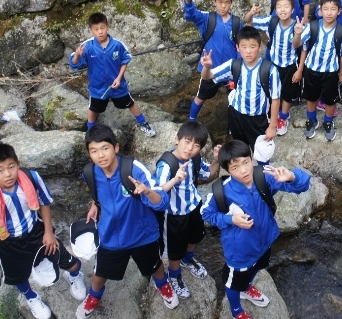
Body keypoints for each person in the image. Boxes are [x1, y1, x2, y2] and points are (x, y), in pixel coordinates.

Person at [0, 143, 86, 319]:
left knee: (68, 260)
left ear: (18, 164)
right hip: (8, 242)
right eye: (0, 170)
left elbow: (44, 202)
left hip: (36, 233)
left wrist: (48, 232)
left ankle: (74, 275)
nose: (8, 174)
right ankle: (31, 297)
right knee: (17, 276)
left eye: (11, 167)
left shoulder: (31, 178)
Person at [76, 124, 188, 318]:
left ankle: (163, 285)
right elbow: (98, 191)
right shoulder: (90, 173)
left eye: (105, 148)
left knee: (154, 265)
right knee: (100, 271)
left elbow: (161, 202)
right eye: (94, 151)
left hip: (141, 234)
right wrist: (95, 203)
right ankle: (94, 296)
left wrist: (147, 191)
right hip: (110, 235)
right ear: (89, 153)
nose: (100, 155)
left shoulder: (133, 169)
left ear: (116, 147)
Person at [200, 140, 310, 319]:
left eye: (246, 162)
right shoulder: (222, 191)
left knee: (257, 268)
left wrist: (291, 176)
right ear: (227, 170)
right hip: (239, 252)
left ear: (251, 158)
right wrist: (231, 219)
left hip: (265, 242)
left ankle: (246, 288)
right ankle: (236, 311)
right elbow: (205, 213)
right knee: (234, 283)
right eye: (235, 167)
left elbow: (303, 185)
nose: (244, 170)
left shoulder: (263, 177)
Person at [155, 121, 220, 299]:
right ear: (177, 139)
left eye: (196, 145)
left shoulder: (194, 159)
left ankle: (188, 258)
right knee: (175, 248)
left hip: (194, 206)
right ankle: (174, 275)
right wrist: (175, 179)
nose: (190, 148)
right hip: (174, 214)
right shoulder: (167, 164)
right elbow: (157, 192)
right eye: (187, 141)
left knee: (195, 236)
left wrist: (216, 159)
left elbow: (208, 173)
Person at [200, 26, 281, 161]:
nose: (248, 51)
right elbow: (207, 76)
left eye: (252, 46)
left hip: (258, 119)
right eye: (244, 47)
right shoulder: (234, 65)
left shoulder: (270, 70)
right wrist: (207, 67)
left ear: (259, 47)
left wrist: (272, 126)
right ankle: (245, 170)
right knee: (240, 151)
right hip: (236, 115)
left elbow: (276, 99)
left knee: (262, 154)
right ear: (238, 48)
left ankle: (262, 172)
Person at [69, 12, 156, 137]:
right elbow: (74, 64)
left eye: (102, 28)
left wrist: (119, 78)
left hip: (117, 85)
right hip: (98, 87)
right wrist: (77, 55)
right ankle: (90, 131)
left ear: (107, 27)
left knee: (130, 103)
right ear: (91, 30)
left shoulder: (117, 45)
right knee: (93, 108)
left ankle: (144, 123)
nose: (100, 32)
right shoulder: (87, 46)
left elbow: (125, 60)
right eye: (96, 29)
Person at [244, 0, 305, 136]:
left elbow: (297, 46)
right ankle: (274, 114)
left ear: (292, 9)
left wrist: (298, 34)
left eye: (286, 6)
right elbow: (248, 20)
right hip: (274, 65)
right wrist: (251, 13)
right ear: (275, 9)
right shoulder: (270, 21)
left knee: (288, 93)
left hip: (290, 65)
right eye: (279, 7)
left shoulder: (297, 26)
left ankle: (283, 117)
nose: (283, 10)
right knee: (273, 91)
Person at [182, 0, 242, 121]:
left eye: (227, 2)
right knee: (201, 97)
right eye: (220, 2)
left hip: (230, 68)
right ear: (214, 2)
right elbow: (191, 15)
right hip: (211, 68)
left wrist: (238, 66)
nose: (223, 6)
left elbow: (240, 46)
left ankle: (237, 122)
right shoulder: (207, 18)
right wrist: (188, 2)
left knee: (237, 96)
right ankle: (191, 120)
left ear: (231, 3)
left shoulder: (237, 22)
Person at [299, 0, 342, 141]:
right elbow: (299, 45)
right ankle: (311, 120)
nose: (329, 12)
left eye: (333, 9)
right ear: (320, 11)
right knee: (311, 96)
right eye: (325, 9)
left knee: (330, 99)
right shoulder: (312, 27)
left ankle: (328, 122)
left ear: (339, 11)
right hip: (311, 69)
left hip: (331, 72)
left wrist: (341, 73)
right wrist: (297, 34)